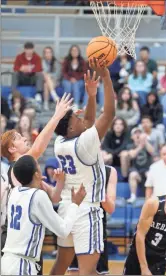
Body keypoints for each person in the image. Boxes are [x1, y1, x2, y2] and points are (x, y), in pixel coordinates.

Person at [51, 59, 115, 275]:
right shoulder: (84, 143)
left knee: (60, 267)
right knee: (88, 273)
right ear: (70, 126)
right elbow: (109, 114)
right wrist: (106, 78)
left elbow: (86, 124)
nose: (79, 115)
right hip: (87, 210)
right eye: (74, 116)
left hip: (66, 210)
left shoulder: (60, 143)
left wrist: (91, 96)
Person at [1, 93, 73, 273]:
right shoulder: (18, 167)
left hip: (29, 239)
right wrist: (57, 116)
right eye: (18, 137)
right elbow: (39, 148)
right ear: (11, 149)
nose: (24, 138)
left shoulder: (29, 176)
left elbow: (54, 198)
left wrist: (60, 182)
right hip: (16, 242)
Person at [1, 155, 86, 275]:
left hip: (6, 261)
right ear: (36, 174)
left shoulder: (14, 192)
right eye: (38, 166)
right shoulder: (38, 196)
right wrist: (75, 205)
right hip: (22, 265)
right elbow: (63, 230)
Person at [123, 171, 166, 275]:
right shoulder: (153, 203)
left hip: (158, 262)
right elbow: (140, 235)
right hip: (137, 257)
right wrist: (143, 267)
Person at [67, 165, 117, 275]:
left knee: (98, 272)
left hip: (97, 231)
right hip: (77, 229)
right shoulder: (73, 168)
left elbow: (110, 208)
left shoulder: (109, 171)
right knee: (75, 272)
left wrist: (98, 190)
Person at [125, 127, 154, 203]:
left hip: (146, 170)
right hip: (136, 171)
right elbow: (132, 155)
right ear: (132, 137)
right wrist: (141, 145)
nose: (138, 135)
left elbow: (152, 152)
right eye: (135, 133)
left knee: (150, 174)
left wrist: (145, 142)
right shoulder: (129, 146)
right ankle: (133, 196)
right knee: (132, 175)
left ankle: (152, 197)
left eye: (139, 133)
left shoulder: (147, 144)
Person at [62, 45, 87, 109]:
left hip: (79, 80)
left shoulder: (82, 60)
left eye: (76, 50)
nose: (74, 52)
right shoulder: (66, 60)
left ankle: (76, 103)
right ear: (70, 52)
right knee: (68, 86)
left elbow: (84, 72)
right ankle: (67, 104)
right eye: (73, 50)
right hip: (67, 79)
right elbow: (64, 72)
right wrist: (70, 78)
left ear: (78, 52)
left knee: (76, 85)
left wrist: (76, 78)